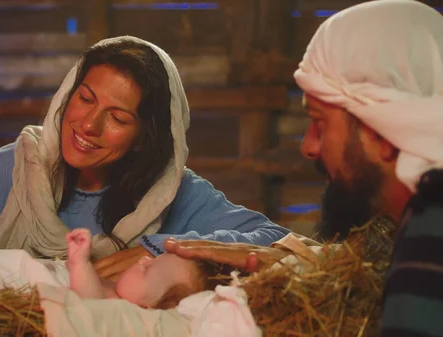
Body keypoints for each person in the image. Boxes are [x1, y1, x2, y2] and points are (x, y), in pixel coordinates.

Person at [0, 36, 288, 269]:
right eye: (85, 99)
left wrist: (158, 247)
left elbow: (280, 241)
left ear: (145, 138)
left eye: (118, 118)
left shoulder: (175, 195)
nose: (88, 125)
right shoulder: (16, 169)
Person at [166, 1, 443, 335]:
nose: (308, 146)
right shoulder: (413, 225)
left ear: (382, 127)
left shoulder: (431, 229)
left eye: (319, 123)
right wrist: (300, 261)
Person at [0, 198, 223, 309]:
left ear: (147, 308)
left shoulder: (114, 308)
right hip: (9, 267)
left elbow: (85, 294)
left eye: (149, 270)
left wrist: (79, 262)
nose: (144, 259)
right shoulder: (119, 290)